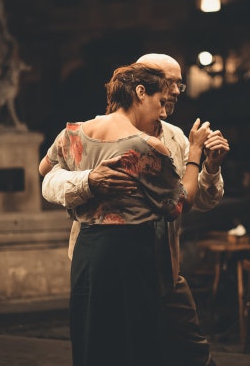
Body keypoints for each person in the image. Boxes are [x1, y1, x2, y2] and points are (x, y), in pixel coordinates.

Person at [41, 53, 229, 366]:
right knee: (126, 347)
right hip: (125, 257)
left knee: (190, 351)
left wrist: (211, 166)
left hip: (162, 267)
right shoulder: (145, 145)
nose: (176, 91)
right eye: (168, 83)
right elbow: (49, 180)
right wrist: (89, 180)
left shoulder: (174, 138)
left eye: (179, 84)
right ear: (141, 88)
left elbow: (204, 201)